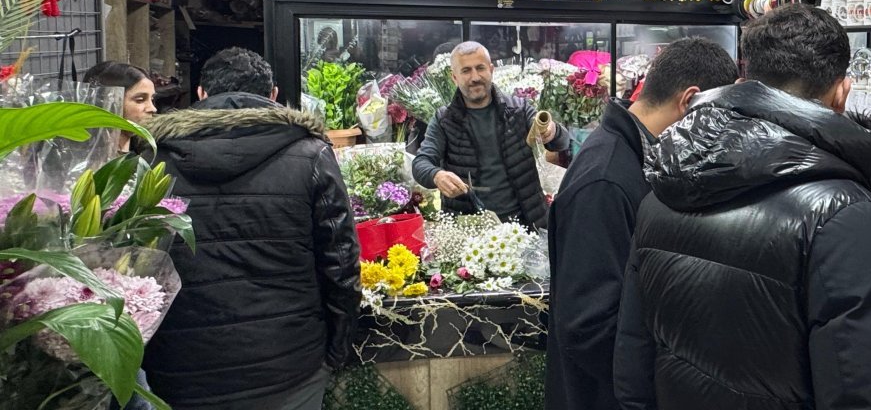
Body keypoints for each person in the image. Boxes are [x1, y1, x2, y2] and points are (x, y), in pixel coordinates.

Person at [613, 4, 871, 410]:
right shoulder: (844, 216)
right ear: (842, 93)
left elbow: (633, 361)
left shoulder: (666, 185)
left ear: (746, 82)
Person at [140, 47, 360, 410]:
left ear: (201, 93)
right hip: (288, 361)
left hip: (181, 367)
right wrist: (337, 348)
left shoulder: (150, 159)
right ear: (273, 94)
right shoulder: (310, 154)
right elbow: (341, 262)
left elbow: (135, 262)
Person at [546, 38, 739, 410]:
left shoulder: (637, 156)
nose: (718, 131)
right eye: (718, 116)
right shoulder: (605, 179)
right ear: (689, 101)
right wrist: (668, 386)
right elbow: (588, 326)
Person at [412, 41, 570, 228]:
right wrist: (437, 175)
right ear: (454, 77)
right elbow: (421, 163)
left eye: (480, 68)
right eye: (466, 71)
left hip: (525, 222)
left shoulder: (519, 109)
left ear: (491, 69)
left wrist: (552, 131)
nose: (475, 77)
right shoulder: (444, 119)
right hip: (470, 227)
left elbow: (561, 142)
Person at [83, 61, 156, 154]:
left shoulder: (151, 153)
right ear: (108, 103)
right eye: (140, 100)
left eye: (152, 99)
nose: (153, 108)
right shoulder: (81, 159)